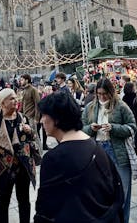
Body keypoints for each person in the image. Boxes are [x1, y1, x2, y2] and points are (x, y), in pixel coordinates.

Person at [35, 92, 123, 223]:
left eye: (43, 115)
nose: (41, 120)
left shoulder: (53, 159)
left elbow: (46, 209)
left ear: (56, 119)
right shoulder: (96, 147)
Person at [82, 78, 136, 222]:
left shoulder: (121, 106)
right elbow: (81, 129)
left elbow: (132, 127)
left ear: (111, 92)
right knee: (102, 192)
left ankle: (123, 219)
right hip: (97, 151)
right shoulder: (90, 107)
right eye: (99, 94)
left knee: (123, 192)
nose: (102, 97)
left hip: (117, 151)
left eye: (105, 94)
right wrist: (90, 128)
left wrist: (114, 128)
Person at [0, 88, 38, 223]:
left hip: (23, 168)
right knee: (3, 202)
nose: (16, 100)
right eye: (11, 98)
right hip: (2, 169)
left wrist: (30, 131)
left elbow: (33, 138)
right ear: (3, 103)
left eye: (15, 98)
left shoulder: (22, 117)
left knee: (24, 200)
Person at [20, 74, 41, 152]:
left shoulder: (33, 89)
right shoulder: (24, 90)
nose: (20, 81)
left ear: (27, 80)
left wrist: (36, 117)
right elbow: (22, 104)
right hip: (25, 117)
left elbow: (37, 104)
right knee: (29, 137)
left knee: (35, 136)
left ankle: (40, 154)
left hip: (32, 117)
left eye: (22, 80)